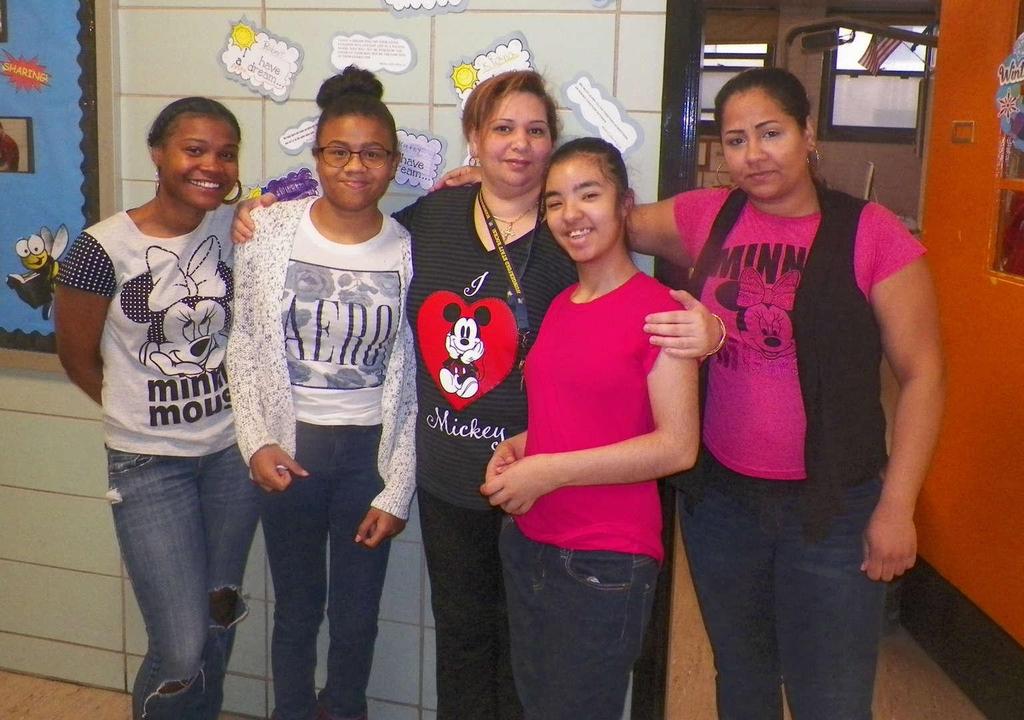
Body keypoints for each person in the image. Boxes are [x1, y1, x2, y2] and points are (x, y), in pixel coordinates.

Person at [234, 70, 720, 719]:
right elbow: (355, 230)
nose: (519, 143)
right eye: (502, 128)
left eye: (535, 130)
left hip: (544, 487)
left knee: (530, 662)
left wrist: (715, 330)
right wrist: (262, 210)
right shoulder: (431, 218)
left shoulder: (571, 231)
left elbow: (654, 288)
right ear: (474, 138)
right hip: (449, 480)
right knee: (462, 644)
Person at [630, 68, 945, 719]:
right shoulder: (708, 215)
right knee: (742, 676)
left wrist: (897, 506)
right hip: (722, 505)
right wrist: (502, 188)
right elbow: (605, 219)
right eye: (736, 140)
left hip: (832, 508)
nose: (754, 154)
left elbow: (924, 376)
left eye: (771, 133)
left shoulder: (872, 233)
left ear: (808, 134)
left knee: (829, 695)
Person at [53, 97, 260, 720]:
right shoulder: (102, 248)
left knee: (218, 615)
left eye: (226, 154)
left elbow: (329, 193)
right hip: (149, 467)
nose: (212, 166)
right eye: (194, 150)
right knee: (181, 645)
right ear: (158, 154)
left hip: (232, 458)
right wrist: (137, 410)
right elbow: (78, 358)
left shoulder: (237, 227)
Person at [481, 137, 700, 719]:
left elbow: (677, 446)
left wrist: (548, 471)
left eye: (588, 194)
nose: (570, 214)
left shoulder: (661, 312)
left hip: (604, 562)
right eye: (555, 201)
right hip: (530, 543)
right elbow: (584, 414)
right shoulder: (562, 304)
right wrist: (523, 447)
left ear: (625, 204)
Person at [226, 66, 416, 720]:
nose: (355, 167)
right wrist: (256, 442)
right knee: (297, 610)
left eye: (372, 153)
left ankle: (345, 710)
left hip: (367, 459)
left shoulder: (409, 249)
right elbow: (244, 345)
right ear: (317, 158)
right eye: (339, 152)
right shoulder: (269, 231)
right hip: (292, 453)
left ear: (393, 164)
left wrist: (397, 486)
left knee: (358, 616)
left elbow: (412, 382)